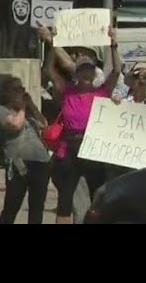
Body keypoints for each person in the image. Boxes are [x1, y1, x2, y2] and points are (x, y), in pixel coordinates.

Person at [40, 24, 122, 225]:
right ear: (76, 74)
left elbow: (117, 70)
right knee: (65, 199)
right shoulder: (66, 91)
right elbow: (49, 70)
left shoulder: (102, 93)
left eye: (90, 70)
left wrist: (114, 44)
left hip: (93, 148)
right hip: (69, 149)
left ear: (94, 74)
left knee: (98, 196)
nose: (86, 74)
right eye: (82, 70)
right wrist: (51, 44)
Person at [0, 77, 50, 224]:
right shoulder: (2, 110)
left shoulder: (27, 112)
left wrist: (31, 105)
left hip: (40, 161)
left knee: (37, 207)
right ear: (7, 93)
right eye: (16, 90)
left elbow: (44, 123)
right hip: (19, 163)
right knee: (12, 205)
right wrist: (23, 108)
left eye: (22, 89)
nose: (20, 93)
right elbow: (15, 125)